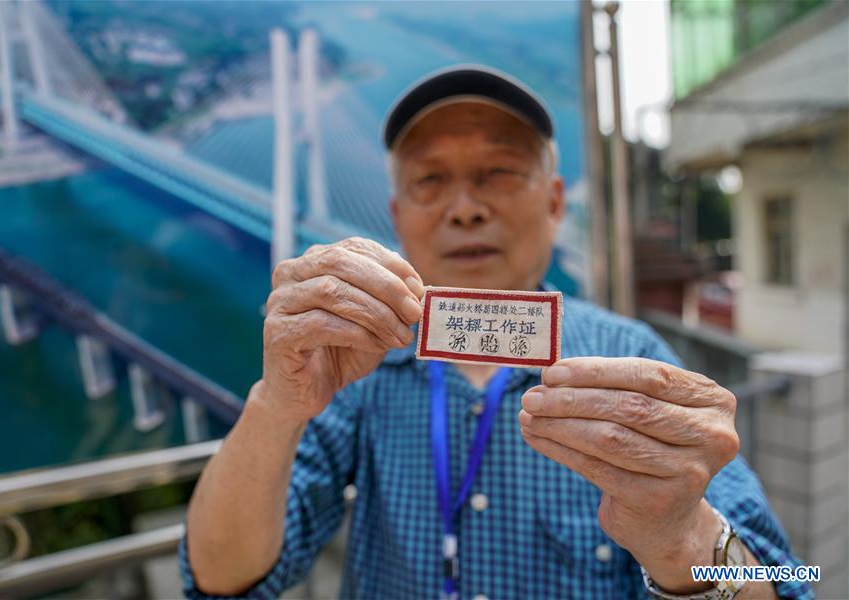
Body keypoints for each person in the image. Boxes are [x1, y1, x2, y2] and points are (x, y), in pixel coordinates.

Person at [180, 65, 810, 599]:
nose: (465, 208)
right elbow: (219, 579)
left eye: (499, 173)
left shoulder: (634, 359)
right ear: (397, 216)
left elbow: (786, 580)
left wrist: (685, 537)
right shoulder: (345, 366)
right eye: (430, 180)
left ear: (555, 202)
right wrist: (275, 406)